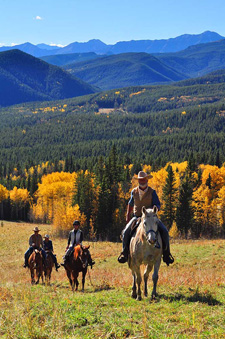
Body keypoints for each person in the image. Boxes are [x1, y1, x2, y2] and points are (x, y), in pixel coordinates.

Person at [118, 171, 174, 266]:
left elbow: (157, 204)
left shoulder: (152, 192)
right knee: (126, 232)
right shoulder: (134, 191)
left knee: (164, 231)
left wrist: (153, 210)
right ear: (138, 181)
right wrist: (128, 214)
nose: (142, 181)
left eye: (144, 179)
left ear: (147, 180)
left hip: (150, 217)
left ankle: (166, 254)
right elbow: (130, 204)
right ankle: (125, 253)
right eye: (140, 180)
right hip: (137, 217)